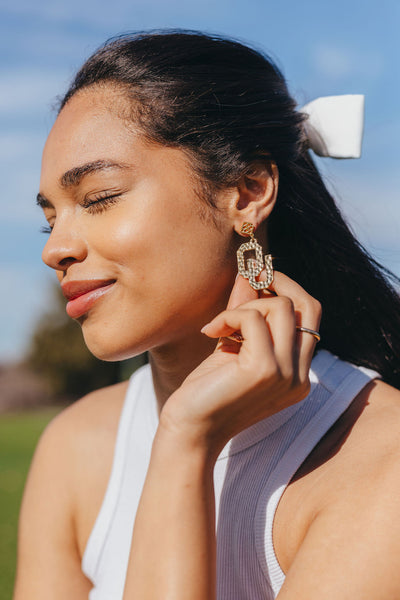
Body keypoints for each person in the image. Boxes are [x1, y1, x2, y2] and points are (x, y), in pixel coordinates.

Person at [13, 31, 400, 600]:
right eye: (51, 219)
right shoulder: (77, 444)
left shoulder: (380, 464)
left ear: (247, 191)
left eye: (98, 198)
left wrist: (184, 442)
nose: (55, 249)